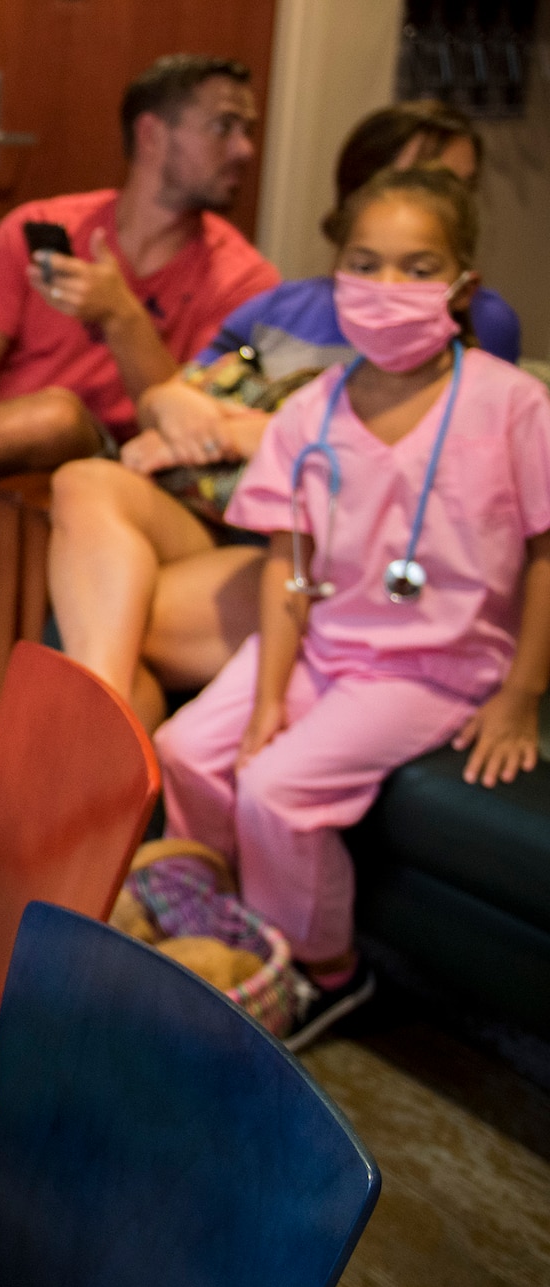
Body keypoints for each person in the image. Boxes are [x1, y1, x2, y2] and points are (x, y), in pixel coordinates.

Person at [154, 168, 550, 1050]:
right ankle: (228, 934)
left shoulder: (513, 404)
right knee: (186, 747)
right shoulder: (309, 414)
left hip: (434, 665)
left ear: (462, 286)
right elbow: (287, 568)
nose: (390, 288)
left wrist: (521, 692)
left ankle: (326, 972)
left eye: (419, 267)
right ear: (337, 277)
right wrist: (265, 702)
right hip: (321, 642)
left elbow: (543, 551)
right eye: (366, 264)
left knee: (277, 789)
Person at [50, 99, 526, 728]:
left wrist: (244, 432)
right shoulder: (281, 305)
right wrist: (176, 407)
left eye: (460, 188)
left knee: (114, 614)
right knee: (82, 480)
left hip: (322, 549)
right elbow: (178, 394)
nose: (446, 202)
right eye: (428, 180)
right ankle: (104, 723)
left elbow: (419, 449)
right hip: (218, 508)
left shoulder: (470, 319)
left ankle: (90, 731)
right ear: (363, 189)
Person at [0, 53, 279, 667]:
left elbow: (190, 428)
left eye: (247, 130)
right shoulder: (40, 226)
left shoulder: (245, 281)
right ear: (151, 133)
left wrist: (122, 317)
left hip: (109, 473)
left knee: (57, 416)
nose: (245, 148)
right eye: (224, 126)